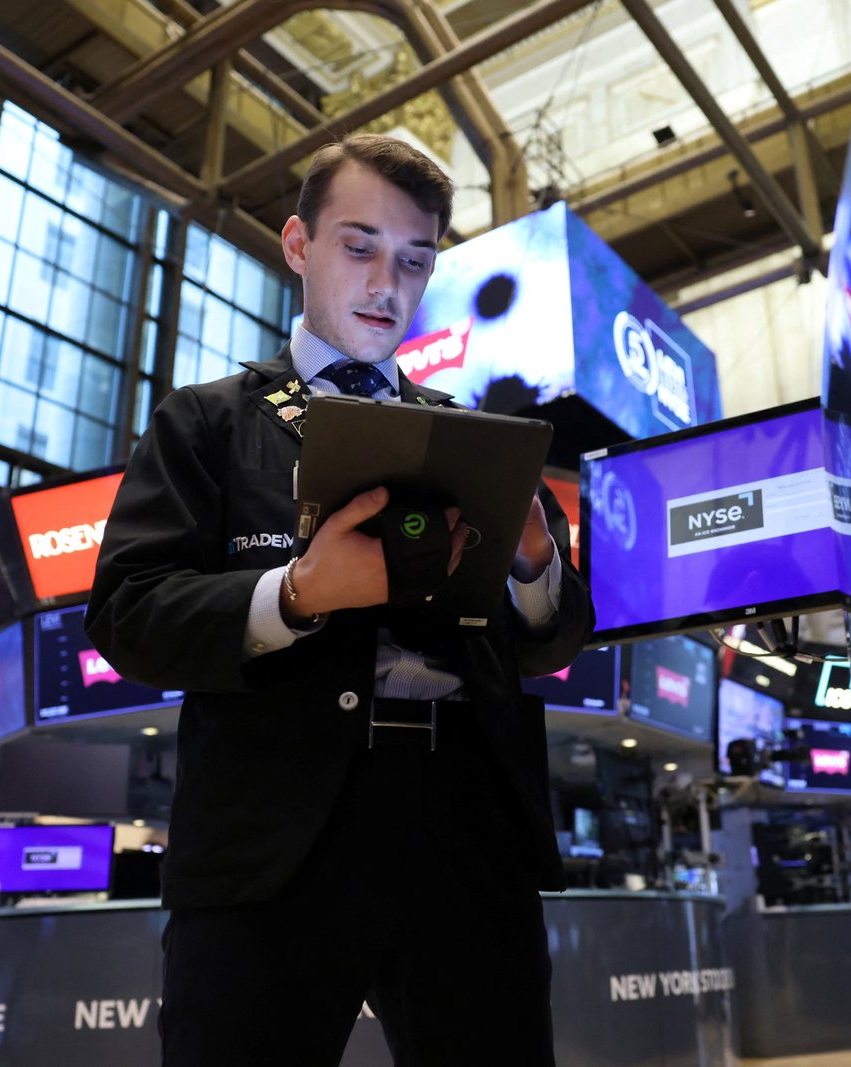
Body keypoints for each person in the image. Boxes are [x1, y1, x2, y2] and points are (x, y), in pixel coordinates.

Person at [85, 134, 592, 1067]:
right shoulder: (207, 422)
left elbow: (550, 642)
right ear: (297, 245)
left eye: (415, 259)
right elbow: (129, 612)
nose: (386, 285)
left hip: (468, 840)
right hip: (272, 846)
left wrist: (531, 564)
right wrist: (295, 594)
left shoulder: (478, 440)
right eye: (358, 247)